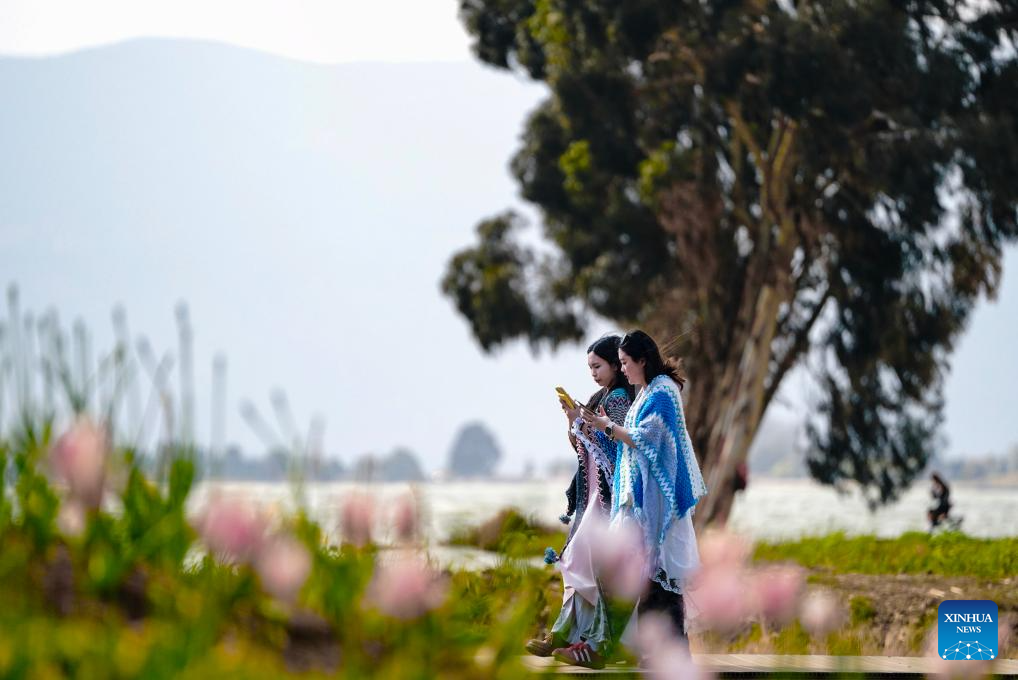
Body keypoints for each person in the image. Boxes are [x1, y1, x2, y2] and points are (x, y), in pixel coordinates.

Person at [586, 330, 707, 651]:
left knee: (658, 583)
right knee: (649, 582)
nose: (622, 368)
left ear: (642, 360)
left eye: (625, 362)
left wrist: (607, 427)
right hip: (644, 500)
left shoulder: (662, 392)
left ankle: (642, 653)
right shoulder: (647, 391)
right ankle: (641, 652)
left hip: (660, 501)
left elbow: (649, 439)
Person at [525, 335, 634, 666]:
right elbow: (584, 449)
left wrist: (582, 426)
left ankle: (585, 638)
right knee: (575, 560)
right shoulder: (599, 397)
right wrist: (574, 422)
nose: (593, 373)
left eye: (598, 366)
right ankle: (569, 634)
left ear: (616, 365)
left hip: (607, 499)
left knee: (581, 561)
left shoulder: (616, 401)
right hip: (593, 497)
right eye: (589, 367)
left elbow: (615, 450)